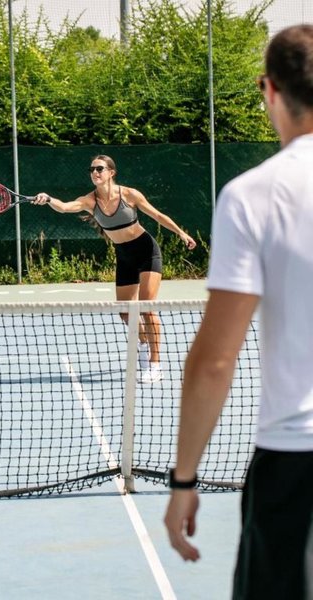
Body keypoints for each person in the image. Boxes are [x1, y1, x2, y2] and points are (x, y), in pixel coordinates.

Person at [164, 24, 313, 600]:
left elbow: (214, 361)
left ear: (268, 89)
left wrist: (184, 479)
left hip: (295, 472)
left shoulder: (253, 196)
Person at [34, 154, 196, 383]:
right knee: (125, 312)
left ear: (111, 172)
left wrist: (181, 233)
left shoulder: (129, 194)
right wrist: (49, 199)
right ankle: (143, 343)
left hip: (146, 251)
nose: (95, 172)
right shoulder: (89, 201)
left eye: (99, 168)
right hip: (124, 256)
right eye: (92, 169)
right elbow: (64, 207)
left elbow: (158, 215)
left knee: (147, 308)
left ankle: (155, 365)